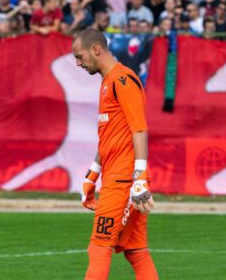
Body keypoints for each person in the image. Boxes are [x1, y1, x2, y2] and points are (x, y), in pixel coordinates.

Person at [72, 28, 157, 280]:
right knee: (137, 251)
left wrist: (139, 178)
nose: (78, 63)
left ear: (96, 50)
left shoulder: (123, 80)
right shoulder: (107, 82)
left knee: (98, 248)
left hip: (124, 183)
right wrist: (92, 175)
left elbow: (139, 129)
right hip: (118, 180)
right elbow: (110, 136)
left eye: (80, 56)